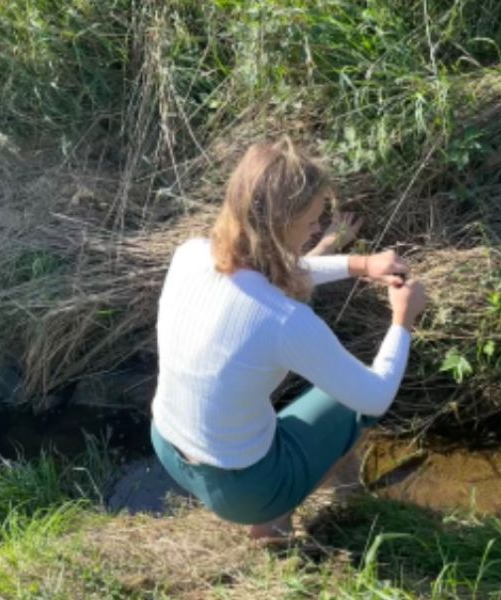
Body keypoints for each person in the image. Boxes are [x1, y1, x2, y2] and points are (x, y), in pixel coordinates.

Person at [150, 137, 427, 541]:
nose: (319, 227)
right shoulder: (284, 321)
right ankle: (294, 514)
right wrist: (403, 320)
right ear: (281, 223)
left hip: (168, 445)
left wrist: (361, 264)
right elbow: (375, 395)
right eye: (313, 219)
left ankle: (285, 500)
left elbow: (267, 274)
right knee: (349, 403)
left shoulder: (191, 254)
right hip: (244, 491)